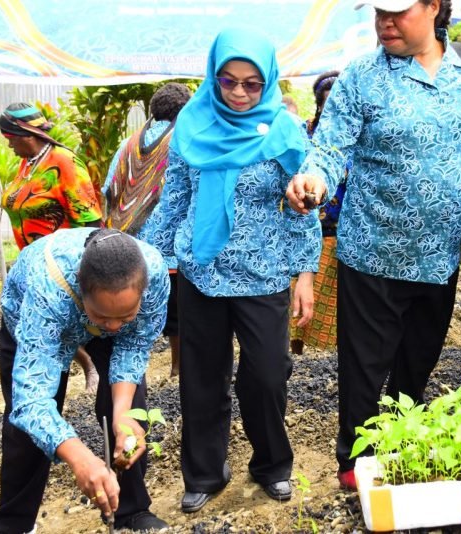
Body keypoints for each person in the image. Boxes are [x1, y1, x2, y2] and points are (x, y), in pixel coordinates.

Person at [286, 0, 461, 490]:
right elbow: (328, 147)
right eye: (379, 12)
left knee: (418, 359)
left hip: (441, 254)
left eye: (398, 11)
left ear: (433, 7)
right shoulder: (363, 75)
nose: (384, 21)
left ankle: (400, 444)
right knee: (365, 364)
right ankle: (356, 461)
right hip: (373, 251)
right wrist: (313, 181)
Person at [155, 29, 320, 512]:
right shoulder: (192, 123)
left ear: (268, 81)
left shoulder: (285, 131)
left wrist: (305, 274)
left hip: (264, 274)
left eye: (252, 83)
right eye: (229, 81)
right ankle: (206, 472)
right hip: (201, 271)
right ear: (214, 76)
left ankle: (271, 464)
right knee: (201, 379)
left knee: (267, 376)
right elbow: (175, 200)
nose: (240, 93)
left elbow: (303, 205)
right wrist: (152, 262)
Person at [0, 228, 169, 533]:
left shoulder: (154, 276)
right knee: (29, 429)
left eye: (125, 315)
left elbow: (133, 343)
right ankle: (13, 524)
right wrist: (80, 458)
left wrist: (121, 411)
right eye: (103, 316)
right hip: (33, 318)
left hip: (95, 308)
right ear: (81, 292)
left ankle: (131, 511)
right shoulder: (50, 287)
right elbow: (32, 400)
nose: (112, 327)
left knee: (130, 412)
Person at [0, 102, 103, 394]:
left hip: (59, 269)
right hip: (31, 266)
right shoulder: (28, 163)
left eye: (9, 139)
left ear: (26, 134)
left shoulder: (64, 163)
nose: (8, 146)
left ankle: (84, 368)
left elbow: (91, 223)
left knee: (50, 336)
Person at [103, 82, 192, 378]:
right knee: (177, 312)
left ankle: (127, 371)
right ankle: (178, 367)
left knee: (131, 311)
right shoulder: (184, 140)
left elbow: (108, 188)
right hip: (169, 247)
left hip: (131, 245)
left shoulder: (129, 143)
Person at [289, 70, 347, 356]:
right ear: (318, 104)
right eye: (326, 106)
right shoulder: (303, 133)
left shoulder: (350, 139)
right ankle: (294, 348)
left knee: (330, 300)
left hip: (339, 229)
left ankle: (329, 350)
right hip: (304, 222)